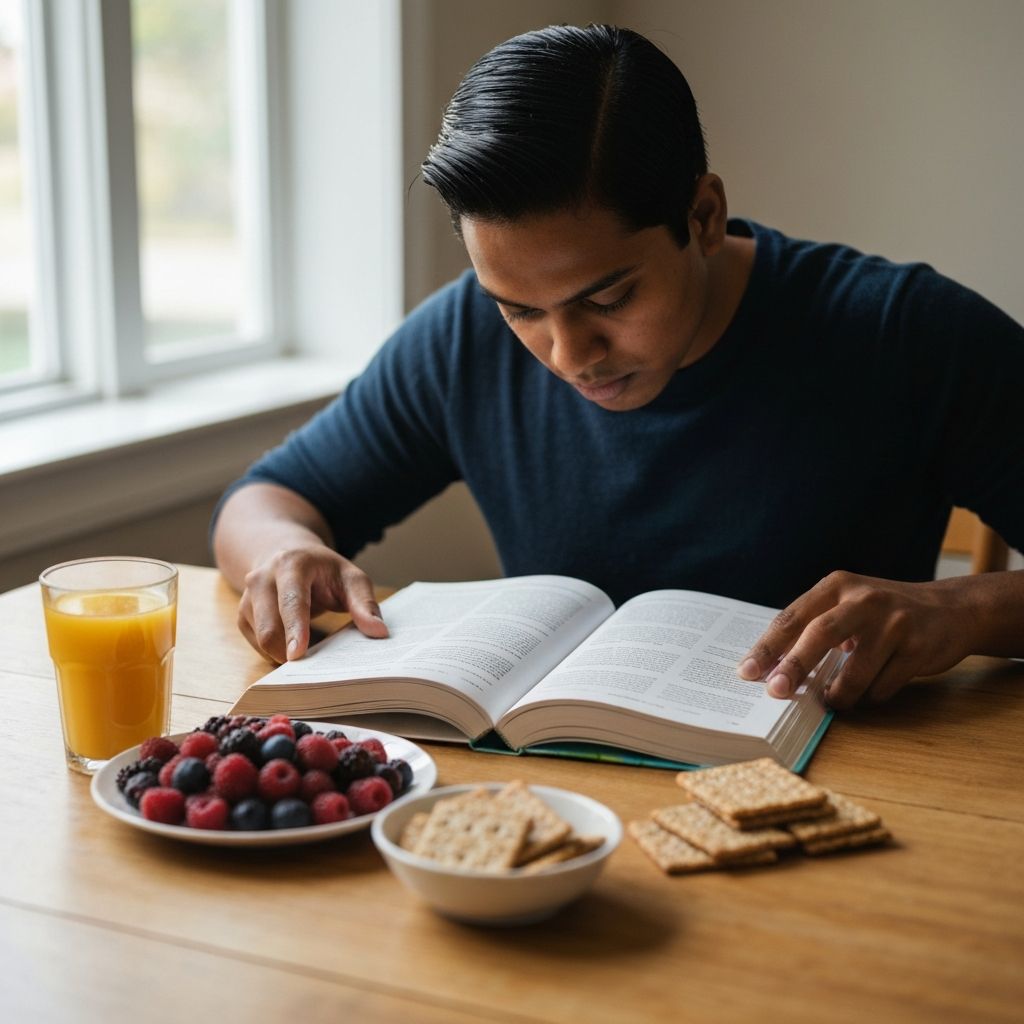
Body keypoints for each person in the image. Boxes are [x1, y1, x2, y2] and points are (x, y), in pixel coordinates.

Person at [212, 23, 1024, 711]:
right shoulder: (462, 337)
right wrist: (283, 551)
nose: (568, 356)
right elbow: (265, 502)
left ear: (702, 217)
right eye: (521, 309)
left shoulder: (904, 332)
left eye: (606, 298)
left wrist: (965, 611)